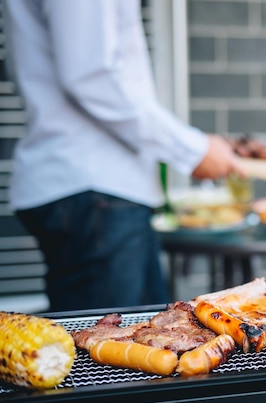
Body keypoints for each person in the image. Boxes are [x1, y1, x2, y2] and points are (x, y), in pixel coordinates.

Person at [4, 0, 244, 311]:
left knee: (149, 340)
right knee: (112, 350)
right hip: (95, 191)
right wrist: (191, 150)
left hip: (93, 191)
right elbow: (92, 75)